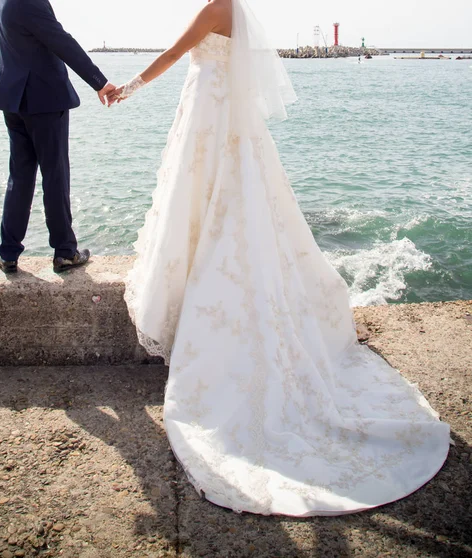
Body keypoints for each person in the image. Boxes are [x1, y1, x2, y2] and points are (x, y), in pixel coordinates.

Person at [112, 0, 450, 516]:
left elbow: (172, 54)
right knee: (229, 203)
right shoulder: (236, 12)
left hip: (206, 109)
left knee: (202, 198)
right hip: (218, 113)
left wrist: (125, 89)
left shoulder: (214, 7)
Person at [0, 0, 116, 274]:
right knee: (55, 175)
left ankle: (8, 254)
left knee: (20, 176)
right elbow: (60, 41)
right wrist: (99, 82)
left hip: (13, 98)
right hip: (43, 100)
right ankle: (64, 251)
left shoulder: (5, 2)